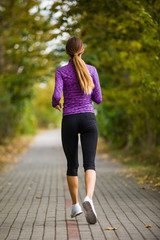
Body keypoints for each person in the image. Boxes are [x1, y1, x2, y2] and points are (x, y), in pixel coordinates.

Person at [52, 36, 102, 224]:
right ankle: (88, 197)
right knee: (90, 164)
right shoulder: (91, 70)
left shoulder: (61, 71)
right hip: (89, 119)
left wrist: (55, 102)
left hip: (70, 120)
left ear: (67, 52)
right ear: (82, 51)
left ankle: (75, 206)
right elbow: (98, 98)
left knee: (72, 164)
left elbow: (57, 95)